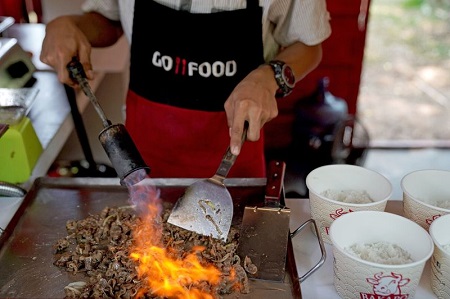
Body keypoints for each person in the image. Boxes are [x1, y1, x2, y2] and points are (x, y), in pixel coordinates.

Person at [40, 0, 331, 178]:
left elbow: (308, 44)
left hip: (232, 167)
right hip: (144, 160)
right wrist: (68, 25)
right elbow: (108, 20)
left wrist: (269, 77)